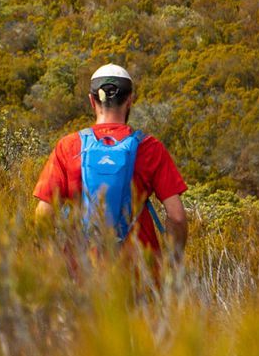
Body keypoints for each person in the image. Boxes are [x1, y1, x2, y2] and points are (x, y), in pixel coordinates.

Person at [33, 63, 187, 267]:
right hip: (141, 274)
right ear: (130, 100)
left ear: (91, 100)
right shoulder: (150, 147)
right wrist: (174, 259)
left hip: (81, 273)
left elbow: (44, 215)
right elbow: (176, 217)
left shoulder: (68, 147)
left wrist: (49, 262)